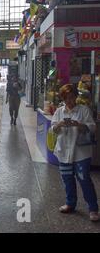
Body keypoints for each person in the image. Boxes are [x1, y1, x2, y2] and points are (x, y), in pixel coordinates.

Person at [50, 84, 98, 222]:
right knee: (67, 179)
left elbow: (93, 127)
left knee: (84, 180)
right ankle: (70, 203)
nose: (69, 101)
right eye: (66, 98)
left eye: (72, 97)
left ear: (76, 97)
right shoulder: (59, 111)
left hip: (81, 153)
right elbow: (53, 129)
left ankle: (93, 208)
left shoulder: (84, 110)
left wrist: (80, 125)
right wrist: (59, 125)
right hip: (63, 151)